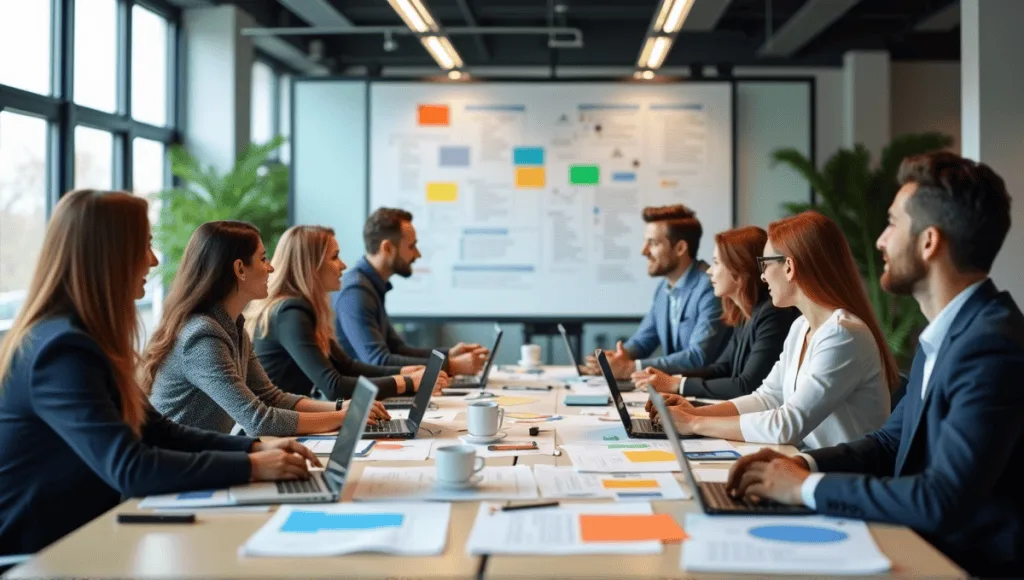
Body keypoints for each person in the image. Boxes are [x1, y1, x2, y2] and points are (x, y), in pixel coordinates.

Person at [725, 153, 1024, 577]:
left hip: (958, 563)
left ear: (929, 241)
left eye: (892, 224)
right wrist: (802, 465)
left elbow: (942, 499)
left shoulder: (991, 346)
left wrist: (807, 488)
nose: (880, 241)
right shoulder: (949, 332)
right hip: (916, 541)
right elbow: (887, 444)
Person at [0, 191, 320, 557]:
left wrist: (256, 446)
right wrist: (252, 466)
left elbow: (157, 430)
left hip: (86, 537)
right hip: (42, 555)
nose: (153, 261)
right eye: (145, 246)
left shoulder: (82, 338)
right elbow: (131, 467)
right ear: (109, 255)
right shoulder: (60, 352)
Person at [649, 211, 896, 449]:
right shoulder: (801, 327)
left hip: (842, 477)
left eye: (765, 264)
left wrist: (694, 423)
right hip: (808, 462)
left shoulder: (843, 335)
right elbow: (767, 398)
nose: (763, 276)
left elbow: (786, 426)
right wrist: (694, 412)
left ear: (789, 267)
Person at [143, 221, 389, 437]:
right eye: (263, 259)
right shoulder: (202, 335)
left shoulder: (233, 326)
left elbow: (271, 397)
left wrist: (340, 407)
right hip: (177, 473)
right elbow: (258, 420)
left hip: (201, 460)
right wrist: (342, 417)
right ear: (240, 269)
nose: (271, 267)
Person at [249, 225, 449, 400]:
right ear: (311, 266)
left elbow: (347, 367)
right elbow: (333, 387)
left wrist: (404, 372)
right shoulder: (290, 313)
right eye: (334, 257)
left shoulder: (301, 308)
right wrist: (406, 382)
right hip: (278, 434)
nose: (343, 265)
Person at [632, 226, 798, 399]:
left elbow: (747, 385)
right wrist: (668, 379)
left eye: (716, 263)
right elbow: (722, 368)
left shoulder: (773, 314)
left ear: (740, 269)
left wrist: (676, 385)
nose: (709, 271)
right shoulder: (744, 313)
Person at [334, 207, 488, 374]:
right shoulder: (356, 292)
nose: (418, 254)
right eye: (412, 246)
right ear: (387, 248)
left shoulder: (369, 285)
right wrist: (452, 366)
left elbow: (398, 349)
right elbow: (379, 361)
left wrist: (448, 355)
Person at [587, 205, 730, 378]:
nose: (643, 251)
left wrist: (631, 367)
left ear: (680, 248)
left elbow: (698, 356)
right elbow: (643, 340)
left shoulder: (709, 286)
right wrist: (616, 358)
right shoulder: (664, 288)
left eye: (653, 243)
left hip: (707, 394)